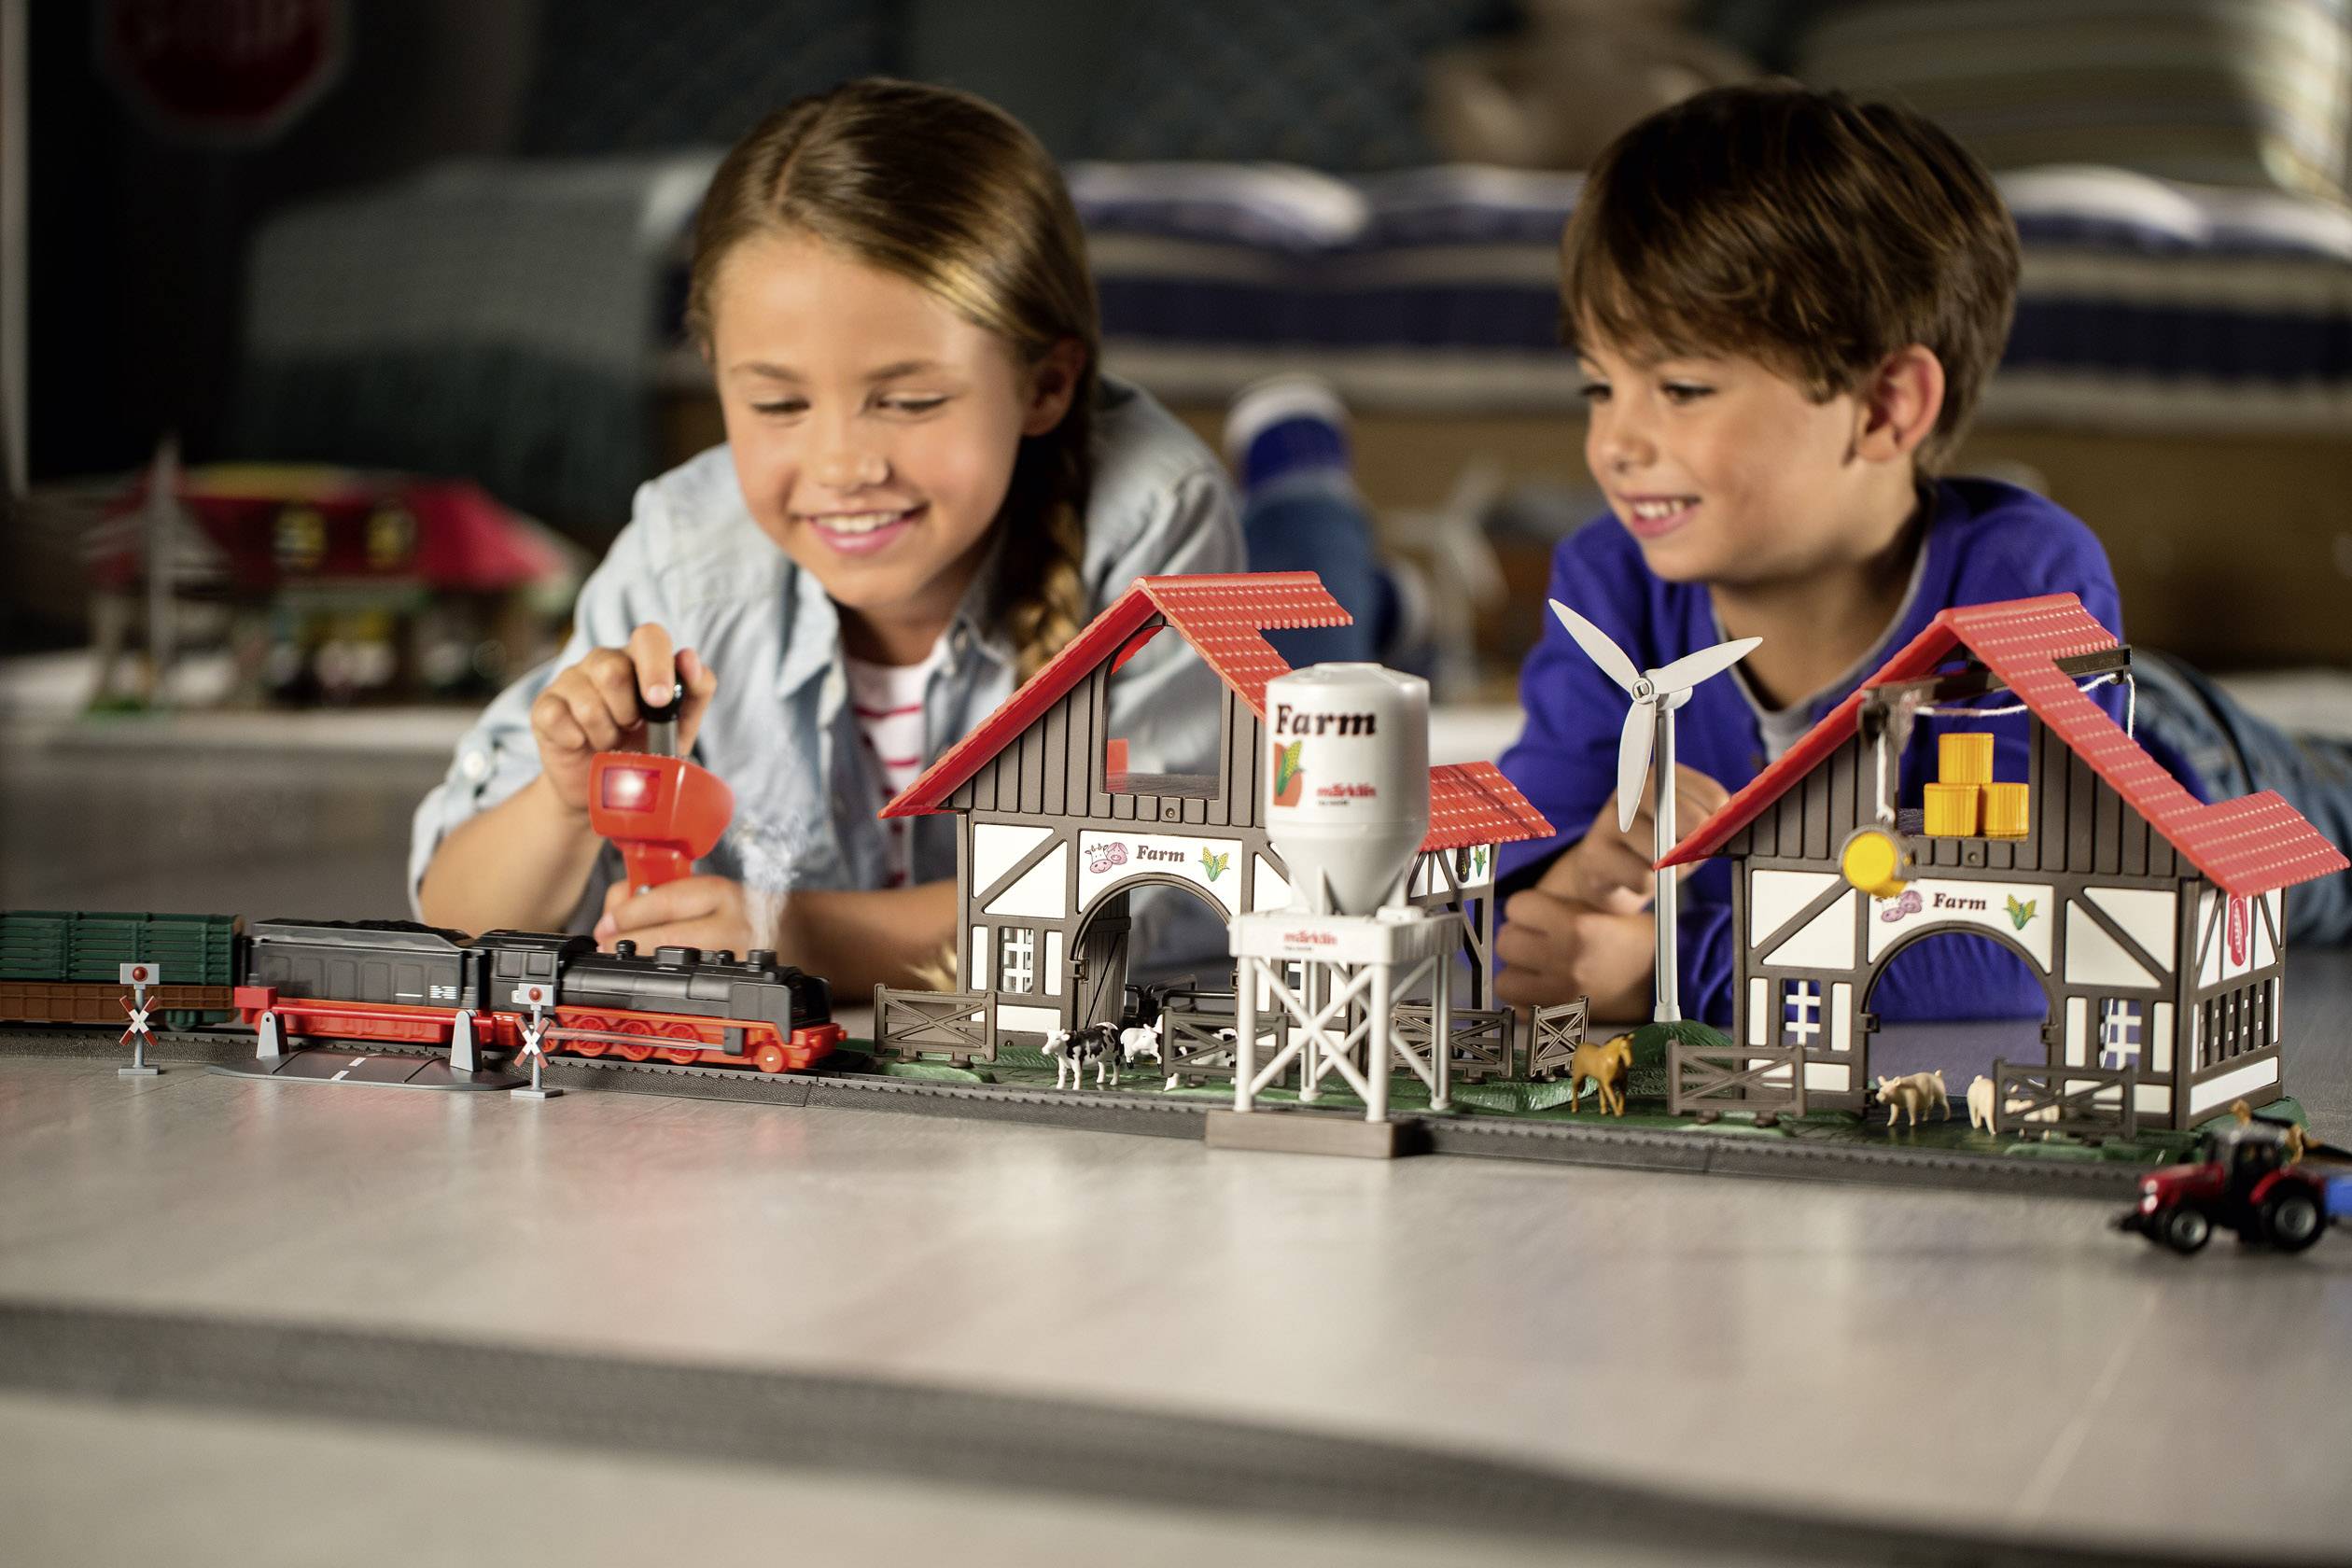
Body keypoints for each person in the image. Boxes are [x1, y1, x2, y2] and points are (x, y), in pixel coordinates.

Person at [1493, 83, 2352, 1025]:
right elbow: (1521, 859)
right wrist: (1577, 874)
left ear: (1884, 407)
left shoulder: (2020, 581)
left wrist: (1677, 973)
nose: (1615, 442)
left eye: (1683, 388)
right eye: (1597, 387)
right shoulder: (1604, 583)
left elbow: (2028, 936)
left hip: (2190, 776)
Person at [410, 78, 1242, 994]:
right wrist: (566, 805)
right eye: (778, 404)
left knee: (1342, 632)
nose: (842, 464)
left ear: (1045, 386)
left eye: (909, 401)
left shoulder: (1157, 511)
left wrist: (799, 935)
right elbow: (455, 920)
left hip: (1234, 602)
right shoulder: (687, 543)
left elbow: (1138, 896)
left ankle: (1299, 477)